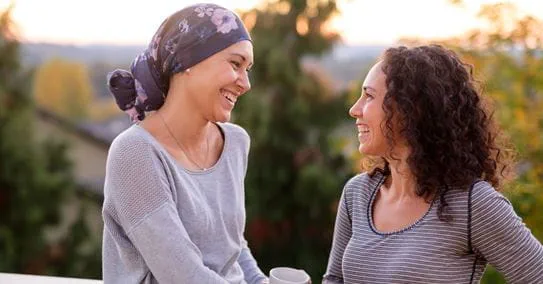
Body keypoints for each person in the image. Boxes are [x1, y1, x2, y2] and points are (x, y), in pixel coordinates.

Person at [323, 45, 543, 284]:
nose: (355, 110)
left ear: (410, 110)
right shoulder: (357, 193)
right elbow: (335, 280)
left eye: (369, 96)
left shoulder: (473, 203)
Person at [102, 3, 267, 283]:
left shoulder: (236, 143)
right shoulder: (134, 153)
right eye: (235, 64)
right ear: (188, 61)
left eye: (247, 68)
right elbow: (183, 276)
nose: (245, 83)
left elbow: (233, 248)